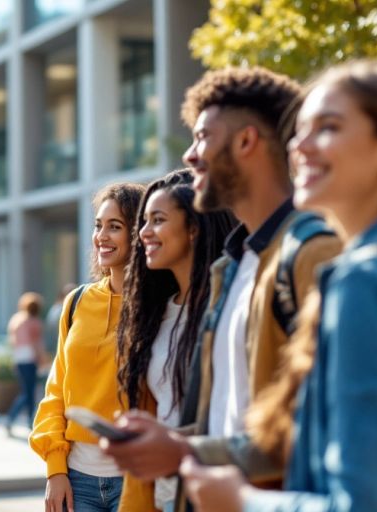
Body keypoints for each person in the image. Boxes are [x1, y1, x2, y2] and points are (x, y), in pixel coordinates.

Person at [178, 60, 377, 512]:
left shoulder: (367, 283)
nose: (299, 146)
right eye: (301, 130)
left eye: (329, 127)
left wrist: (242, 501)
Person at [101, 68, 342, 510]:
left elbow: (330, 429)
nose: (190, 156)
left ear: (246, 142)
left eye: (201, 138)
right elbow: (230, 425)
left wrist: (183, 451)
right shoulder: (230, 270)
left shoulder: (313, 255)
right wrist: (169, 442)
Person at [113, 170, 236, 511]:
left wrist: (176, 445)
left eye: (158, 220)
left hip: (216, 489)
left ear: (194, 229)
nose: (144, 232)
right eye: (144, 221)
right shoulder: (154, 314)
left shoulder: (226, 308)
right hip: (165, 494)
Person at [31, 183, 147, 512]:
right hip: (77, 479)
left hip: (136, 479)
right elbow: (56, 392)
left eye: (115, 226)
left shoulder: (158, 305)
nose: (102, 236)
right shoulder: (77, 301)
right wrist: (55, 469)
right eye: (98, 226)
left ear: (138, 233)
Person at [5, 291, 48, 434]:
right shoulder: (35, 322)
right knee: (29, 392)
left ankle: (17, 419)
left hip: (18, 358)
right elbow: (37, 344)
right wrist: (42, 360)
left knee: (26, 391)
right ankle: (26, 420)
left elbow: (12, 342)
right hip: (30, 359)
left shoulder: (16, 320)